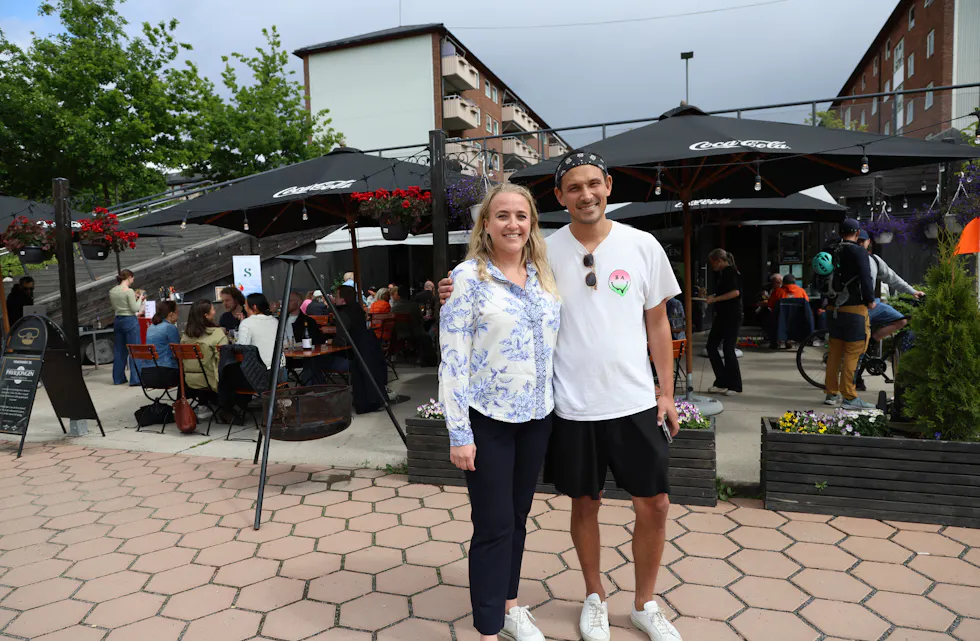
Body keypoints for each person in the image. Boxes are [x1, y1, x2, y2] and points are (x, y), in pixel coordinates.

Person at [441, 151, 683, 641]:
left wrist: (666, 391)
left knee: (653, 503)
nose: (585, 194)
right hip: (568, 406)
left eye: (593, 184)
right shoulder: (543, 252)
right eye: (574, 187)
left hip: (626, 401)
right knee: (581, 503)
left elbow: (658, 322)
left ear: (609, 186)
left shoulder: (637, 246)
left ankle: (644, 603)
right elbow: (478, 303)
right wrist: (452, 286)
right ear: (560, 197)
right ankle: (591, 599)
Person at [440, 182, 560, 641]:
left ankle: (510, 607)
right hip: (486, 419)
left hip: (537, 418)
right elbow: (452, 357)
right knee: (492, 526)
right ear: (486, 225)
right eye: (503, 216)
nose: (513, 224)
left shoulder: (545, 277)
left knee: (517, 518)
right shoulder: (468, 278)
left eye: (521, 216)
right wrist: (458, 433)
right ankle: (488, 629)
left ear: (531, 224)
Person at [824, 219, 876, 409]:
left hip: (832, 308)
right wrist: (870, 300)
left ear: (840, 231)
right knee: (853, 353)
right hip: (854, 309)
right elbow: (865, 277)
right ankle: (850, 397)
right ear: (858, 233)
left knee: (835, 352)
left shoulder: (830, 249)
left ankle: (831, 393)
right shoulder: (858, 251)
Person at [704, 249, 743, 396]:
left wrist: (714, 299)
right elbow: (726, 292)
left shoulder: (730, 272)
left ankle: (735, 385)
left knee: (728, 348)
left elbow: (735, 292)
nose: (711, 266)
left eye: (712, 262)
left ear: (718, 260)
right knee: (711, 346)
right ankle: (722, 381)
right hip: (723, 315)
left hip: (732, 315)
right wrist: (713, 296)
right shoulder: (724, 273)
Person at [180, 300, 228, 393]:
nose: (215, 312)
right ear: (206, 315)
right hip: (212, 381)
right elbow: (223, 359)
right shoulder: (216, 333)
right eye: (213, 309)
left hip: (190, 381)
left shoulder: (185, 337)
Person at [109, 270, 145, 386]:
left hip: (118, 319)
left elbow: (116, 306)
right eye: (132, 278)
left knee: (119, 350)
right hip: (129, 319)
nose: (133, 281)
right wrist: (140, 298)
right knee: (134, 349)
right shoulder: (129, 291)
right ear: (129, 277)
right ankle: (136, 378)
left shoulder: (112, 291)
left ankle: (118, 378)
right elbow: (135, 309)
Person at [391, 284, 436, 365]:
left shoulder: (394, 308)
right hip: (414, 333)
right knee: (428, 337)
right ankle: (427, 359)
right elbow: (421, 321)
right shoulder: (413, 306)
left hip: (398, 333)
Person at [139, 300, 181, 389]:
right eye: (177, 312)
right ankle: (181, 400)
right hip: (164, 374)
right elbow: (178, 352)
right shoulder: (170, 328)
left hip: (146, 374)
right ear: (171, 314)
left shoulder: (150, 327)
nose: (178, 315)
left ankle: (180, 400)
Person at [237, 293, 281, 370]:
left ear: (254, 307)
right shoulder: (275, 321)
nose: (244, 308)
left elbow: (243, 347)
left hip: (259, 371)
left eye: (245, 306)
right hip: (280, 368)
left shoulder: (247, 323)